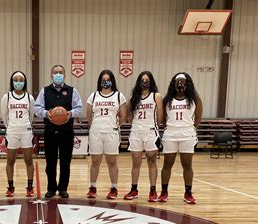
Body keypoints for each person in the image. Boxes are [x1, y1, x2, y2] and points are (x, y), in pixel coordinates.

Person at [34, 65, 82, 198]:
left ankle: (63, 189)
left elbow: (79, 108)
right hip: (50, 131)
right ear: (51, 75)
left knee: (65, 162)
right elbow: (37, 108)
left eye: (61, 72)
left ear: (64, 75)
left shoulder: (72, 91)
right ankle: (51, 188)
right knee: (51, 162)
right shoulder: (45, 91)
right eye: (55, 72)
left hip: (67, 131)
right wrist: (46, 113)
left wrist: (69, 114)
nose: (58, 74)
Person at [160, 72, 203, 204]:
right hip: (171, 133)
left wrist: (191, 128)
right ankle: (164, 192)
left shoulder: (195, 99)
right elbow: (162, 119)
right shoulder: (167, 99)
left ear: (188, 83)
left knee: (187, 165)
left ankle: (188, 193)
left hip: (187, 133)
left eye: (183, 81)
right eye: (178, 81)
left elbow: (198, 118)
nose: (180, 83)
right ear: (174, 83)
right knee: (167, 164)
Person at [85, 69, 127, 199]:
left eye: (108, 80)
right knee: (95, 161)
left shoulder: (119, 96)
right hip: (96, 132)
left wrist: (112, 126)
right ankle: (92, 187)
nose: (106, 82)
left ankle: (114, 188)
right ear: (99, 82)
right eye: (103, 80)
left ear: (112, 81)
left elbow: (123, 116)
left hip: (111, 132)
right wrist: (97, 125)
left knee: (112, 161)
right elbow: (88, 115)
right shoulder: (94, 95)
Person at [124, 71, 164, 202]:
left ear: (151, 81)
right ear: (138, 81)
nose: (144, 82)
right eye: (142, 79)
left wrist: (152, 126)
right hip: (136, 132)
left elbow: (160, 116)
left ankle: (153, 190)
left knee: (152, 162)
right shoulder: (133, 98)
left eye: (147, 80)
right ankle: (134, 189)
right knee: (136, 163)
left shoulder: (156, 96)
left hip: (150, 132)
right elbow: (129, 117)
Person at [0, 71, 36, 197]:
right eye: (16, 80)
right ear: (12, 81)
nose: (18, 82)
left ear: (25, 82)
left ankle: (30, 187)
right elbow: (4, 116)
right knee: (10, 160)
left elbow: (31, 116)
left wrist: (25, 125)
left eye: (21, 80)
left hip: (26, 131)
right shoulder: (7, 97)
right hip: (12, 131)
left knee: (29, 160)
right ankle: (10, 187)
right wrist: (10, 127)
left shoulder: (29, 97)